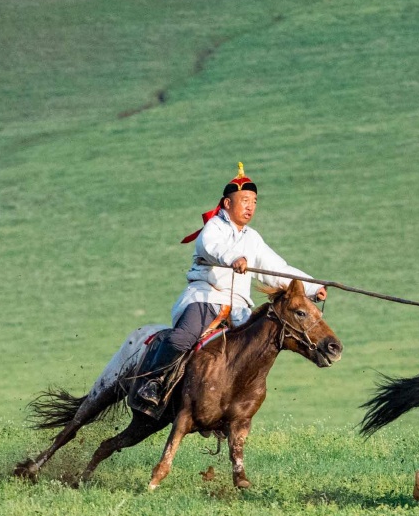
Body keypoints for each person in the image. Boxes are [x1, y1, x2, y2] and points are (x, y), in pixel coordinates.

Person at [136, 164, 327, 407]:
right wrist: (232, 259)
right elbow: (211, 246)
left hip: (238, 307)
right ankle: (154, 381)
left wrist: (313, 287)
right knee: (182, 338)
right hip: (205, 297)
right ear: (227, 203)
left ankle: (229, 405)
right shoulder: (214, 227)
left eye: (254, 201)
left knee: (252, 350)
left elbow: (277, 268)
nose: (250, 206)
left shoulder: (253, 238)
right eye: (245, 200)